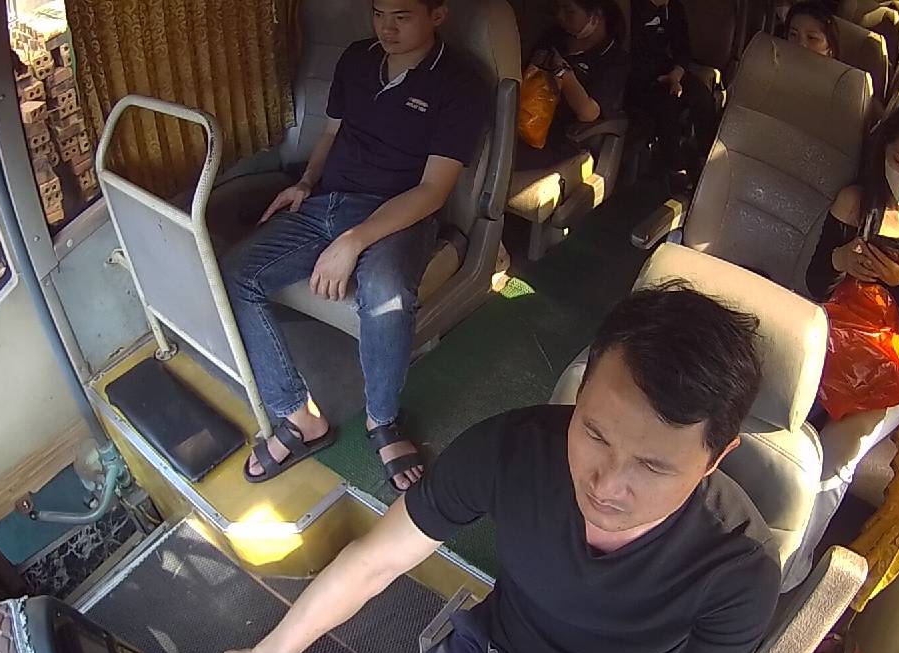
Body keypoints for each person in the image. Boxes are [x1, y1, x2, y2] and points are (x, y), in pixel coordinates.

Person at [191, 284, 782, 653]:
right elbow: (377, 558)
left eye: (652, 466)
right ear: (581, 392)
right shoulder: (510, 449)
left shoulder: (738, 564)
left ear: (716, 457)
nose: (606, 485)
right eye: (594, 433)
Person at [222, 0, 488, 491]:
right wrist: (305, 182)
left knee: (386, 292)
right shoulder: (357, 57)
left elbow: (433, 190)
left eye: (402, 16)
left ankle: (381, 420)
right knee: (236, 271)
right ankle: (299, 416)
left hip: (399, 214)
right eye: (379, 13)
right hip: (326, 200)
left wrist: (353, 240)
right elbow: (332, 132)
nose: (387, 27)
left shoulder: (459, 84)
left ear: (437, 15)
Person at [786, 103, 899, 591]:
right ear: (882, 154)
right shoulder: (853, 203)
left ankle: (789, 563)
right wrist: (841, 260)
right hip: (833, 335)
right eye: (898, 161)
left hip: (892, 362)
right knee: (780, 423)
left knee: (837, 454)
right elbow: (815, 283)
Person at [515, 0, 630, 171]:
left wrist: (563, 73)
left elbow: (588, 113)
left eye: (569, 11)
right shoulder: (553, 37)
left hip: (562, 141)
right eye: (558, 9)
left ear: (595, 15)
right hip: (522, 124)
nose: (560, 17)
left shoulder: (614, 60)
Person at [626, 0, 718, 187]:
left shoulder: (674, 8)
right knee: (668, 104)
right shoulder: (631, 8)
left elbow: (682, 48)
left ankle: (706, 155)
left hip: (666, 68)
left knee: (702, 96)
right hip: (635, 73)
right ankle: (675, 169)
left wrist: (677, 72)